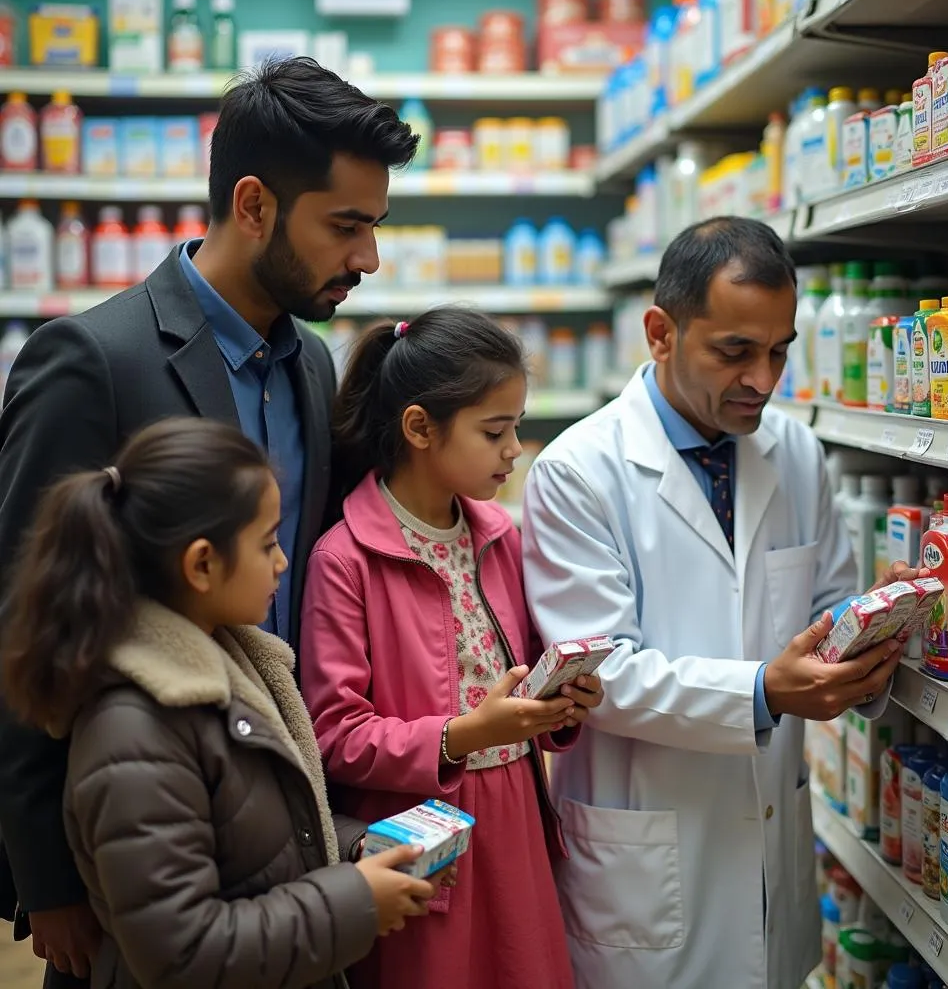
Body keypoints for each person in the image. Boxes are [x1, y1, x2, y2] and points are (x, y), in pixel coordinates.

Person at [0, 57, 418, 986]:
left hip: (278, 807)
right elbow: (20, 612)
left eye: (374, 227)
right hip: (142, 820)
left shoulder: (312, 365)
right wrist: (42, 876)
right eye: (345, 226)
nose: (367, 258)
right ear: (255, 204)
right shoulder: (93, 359)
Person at [521, 217, 925, 989]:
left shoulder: (796, 452)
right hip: (647, 874)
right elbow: (603, 677)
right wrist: (763, 690)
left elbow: (829, 601)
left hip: (771, 853)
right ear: (660, 333)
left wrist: (868, 632)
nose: (763, 381)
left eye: (779, 351)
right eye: (734, 352)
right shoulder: (579, 470)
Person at [0, 417, 440, 989]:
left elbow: (249, 824)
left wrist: (360, 845)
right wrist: (355, 901)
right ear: (202, 564)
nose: (283, 561)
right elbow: (181, 953)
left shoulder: (233, 661)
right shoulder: (132, 727)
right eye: (266, 543)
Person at [299, 308, 602, 989]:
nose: (514, 449)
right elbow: (333, 735)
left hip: (517, 821)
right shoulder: (344, 559)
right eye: (495, 431)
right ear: (418, 428)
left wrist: (560, 704)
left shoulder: (498, 536)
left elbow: (519, 675)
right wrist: (465, 735)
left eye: (517, 427)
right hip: (420, 836)